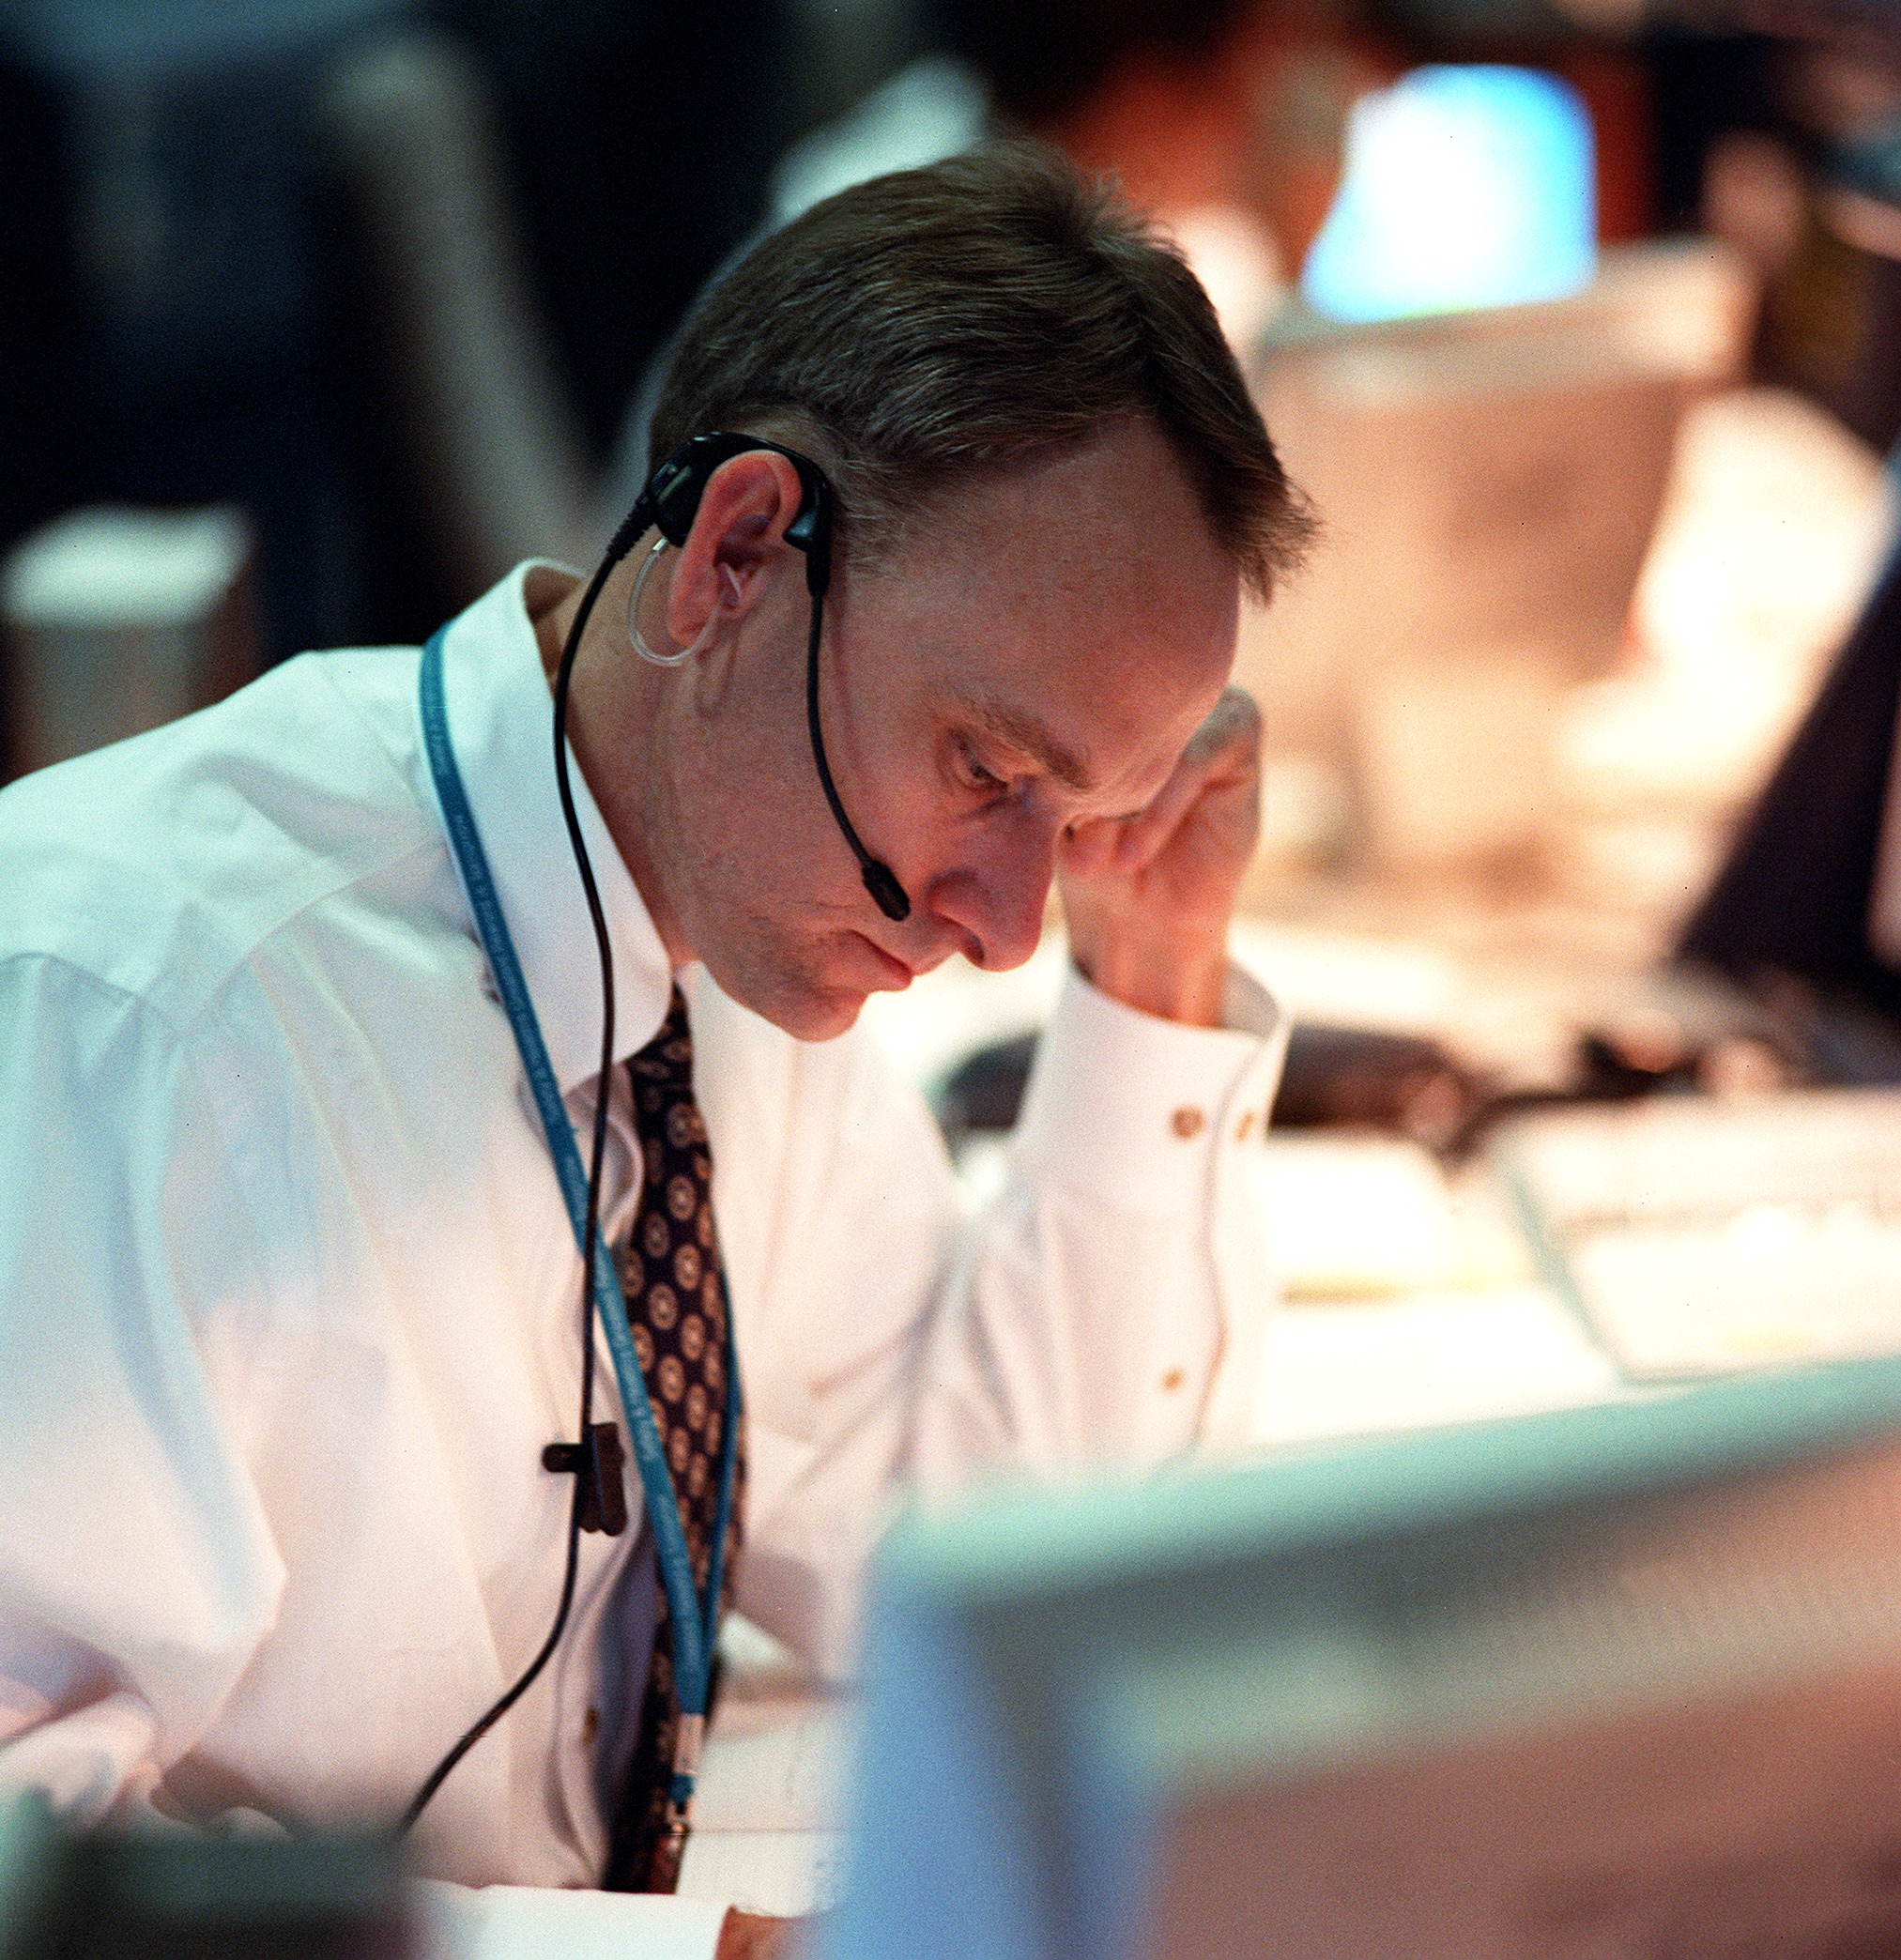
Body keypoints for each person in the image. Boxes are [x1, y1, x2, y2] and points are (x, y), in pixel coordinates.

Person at [0, 145, 1311, 1956]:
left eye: (1083, 811)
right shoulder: (124, 1012)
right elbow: (35, 1884)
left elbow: (983, 1564)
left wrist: (1149, 972)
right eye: (992, 772)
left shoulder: (749, 924)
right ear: (735, 557)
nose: (1008, 926)